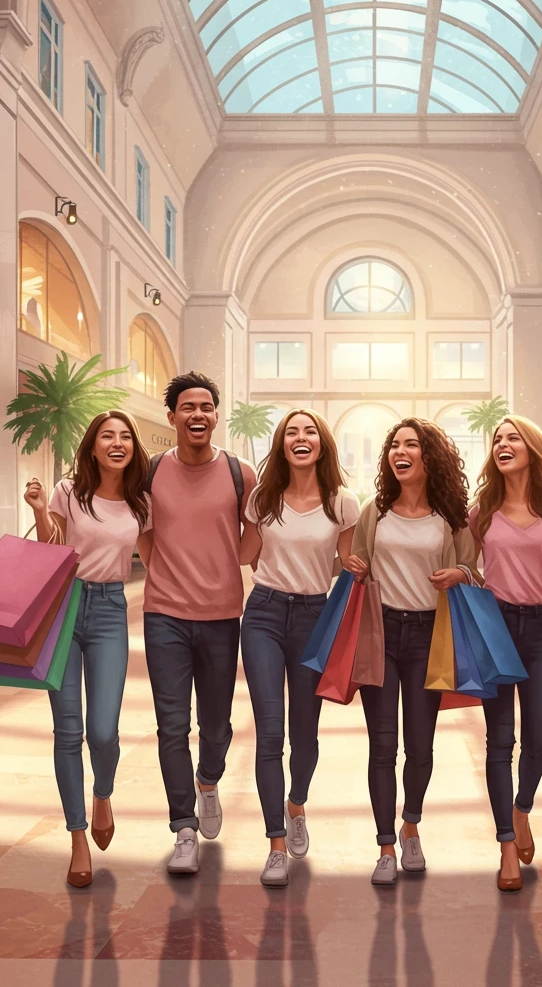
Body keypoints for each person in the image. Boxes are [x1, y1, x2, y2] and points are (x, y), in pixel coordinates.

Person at [344, 417, 481, 886]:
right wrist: (356, 567)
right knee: (383, 746)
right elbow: (358, 563)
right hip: (380, 633)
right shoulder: (375, 512)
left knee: (420, 746)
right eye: (394, 446)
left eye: (411, 445)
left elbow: (472, 568)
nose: (400, 452)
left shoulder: (450, 517)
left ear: (429, 457)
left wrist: (459, 574)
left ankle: (411, 826)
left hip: (428, 636)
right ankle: (385, 846)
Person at [23, 410, 152, 888]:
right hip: (63, 608)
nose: (117, 443)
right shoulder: (68, 491)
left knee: (103, 731)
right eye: (107, 436)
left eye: (125, 437)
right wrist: (40, 509)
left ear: (133, 447)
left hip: (110, 611)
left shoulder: (141, 502)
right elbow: (50, 547)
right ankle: (77, 838)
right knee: (67, 731)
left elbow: (157, 558)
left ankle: (103, 794)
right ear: (93, 446)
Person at [138, 371, 256, 876]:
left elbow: (254, 534)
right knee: (171, 724)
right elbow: (143, 534)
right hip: (164, 614)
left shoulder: (239, 472)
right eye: (188, 407)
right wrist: (167, 573)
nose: (198, 414)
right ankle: (183, 827)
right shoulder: (149, 472)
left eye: (207, 407)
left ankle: (208, 780)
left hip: (221, 616)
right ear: (172, 417)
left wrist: (225, 564)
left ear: (216, 416)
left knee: (217, 725)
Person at [239, 409, 360, 887]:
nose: (301, 437)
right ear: (282, 445)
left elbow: (346, 561)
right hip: (264, 615)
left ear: (322, 444)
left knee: (305, 734)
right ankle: (274, 843)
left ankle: (296, 806)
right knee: (270, 732)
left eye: (309, 431)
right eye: (292, 432)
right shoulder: (262, 498)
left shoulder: (342, 504)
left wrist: (363, 565)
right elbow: (244, 555)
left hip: (314, 617)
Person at [469, 416, 542, 893]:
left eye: (513, 438)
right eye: (497, 439)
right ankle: (506, 844)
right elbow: (465, 563)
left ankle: (522, 808)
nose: (503, 444)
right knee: (499, 740)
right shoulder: (481, 512)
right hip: (495, 626)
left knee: (538, 738)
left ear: (533, 448)